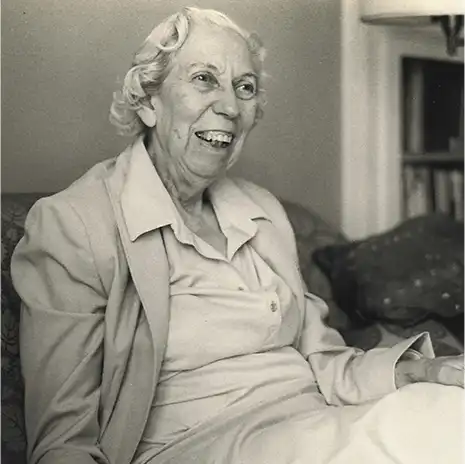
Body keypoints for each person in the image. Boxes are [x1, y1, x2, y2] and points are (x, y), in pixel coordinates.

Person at [11, 7, 463, 464]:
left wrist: (424, 370)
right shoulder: (76, 224)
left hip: (316, 424)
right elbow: (63, 442)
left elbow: (324, 360)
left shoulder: (261, 211)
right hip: (203, 446)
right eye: (204, 79)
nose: (229, 106)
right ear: (149, 101)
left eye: (243, 87)